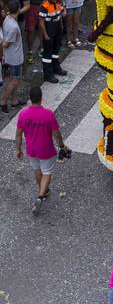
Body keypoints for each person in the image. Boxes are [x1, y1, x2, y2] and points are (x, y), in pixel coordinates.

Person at [15, 84, 68, 216]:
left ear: (30, 98)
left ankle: (43, 191)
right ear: (41, 98)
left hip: (31, 149)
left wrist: (18, 149)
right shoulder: (48, 114)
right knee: (47, 172)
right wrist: (62, 145)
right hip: (46, 150)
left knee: (37, 170)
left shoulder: (23, 114)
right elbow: (56, 133)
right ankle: (40, 196)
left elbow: (18, 134)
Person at [0, 0, 25, 113]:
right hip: (15, 57)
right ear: (18, 9)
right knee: (15, 80)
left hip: (10, 56)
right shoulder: (14, 27)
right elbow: (5, 44)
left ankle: (14, 100)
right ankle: (3, 101)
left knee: (14, 78)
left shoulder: (7, 19)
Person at [39, 0, 67, 83]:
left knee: (56, 51)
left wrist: (64, 9)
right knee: (47, 53)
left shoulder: (59, 2)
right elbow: (41, 21)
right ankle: (48, 74)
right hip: (49, 31)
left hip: (58, 30)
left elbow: (63, 12)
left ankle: (56, 68)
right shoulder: (44, 6)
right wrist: (45, 35)